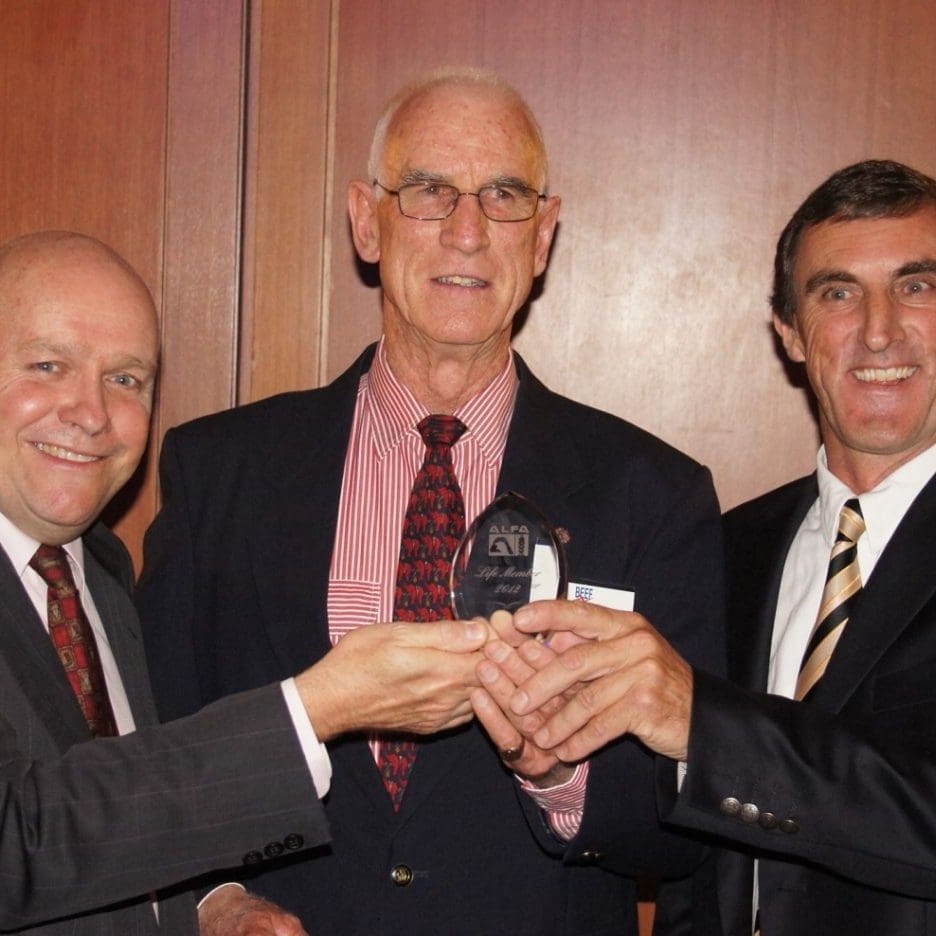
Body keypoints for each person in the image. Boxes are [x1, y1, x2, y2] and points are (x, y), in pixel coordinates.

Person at [136, 68, 725, 935]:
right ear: (366, 221)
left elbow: (681, 837)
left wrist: (557, 772)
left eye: (504, 195)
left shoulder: (655, 496)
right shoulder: (216, 471)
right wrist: (212, 899)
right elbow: (149, 754)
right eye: (428, 191)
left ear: (545, 235)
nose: (467, 231)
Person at [0, 229, 489, 936]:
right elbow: (19, 840)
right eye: (48, 366)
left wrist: (208, 903)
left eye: (126, 379)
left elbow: (109, 823)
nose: (91, 413)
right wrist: (315, 708)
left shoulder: (98, 572)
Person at [498, 159, 936, 935]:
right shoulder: (731, 545)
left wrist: (701, 722)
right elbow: (695, 857)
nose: (879, 330)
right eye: (838, 292)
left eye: (917, 286)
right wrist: (564, 763)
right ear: (790, 333)